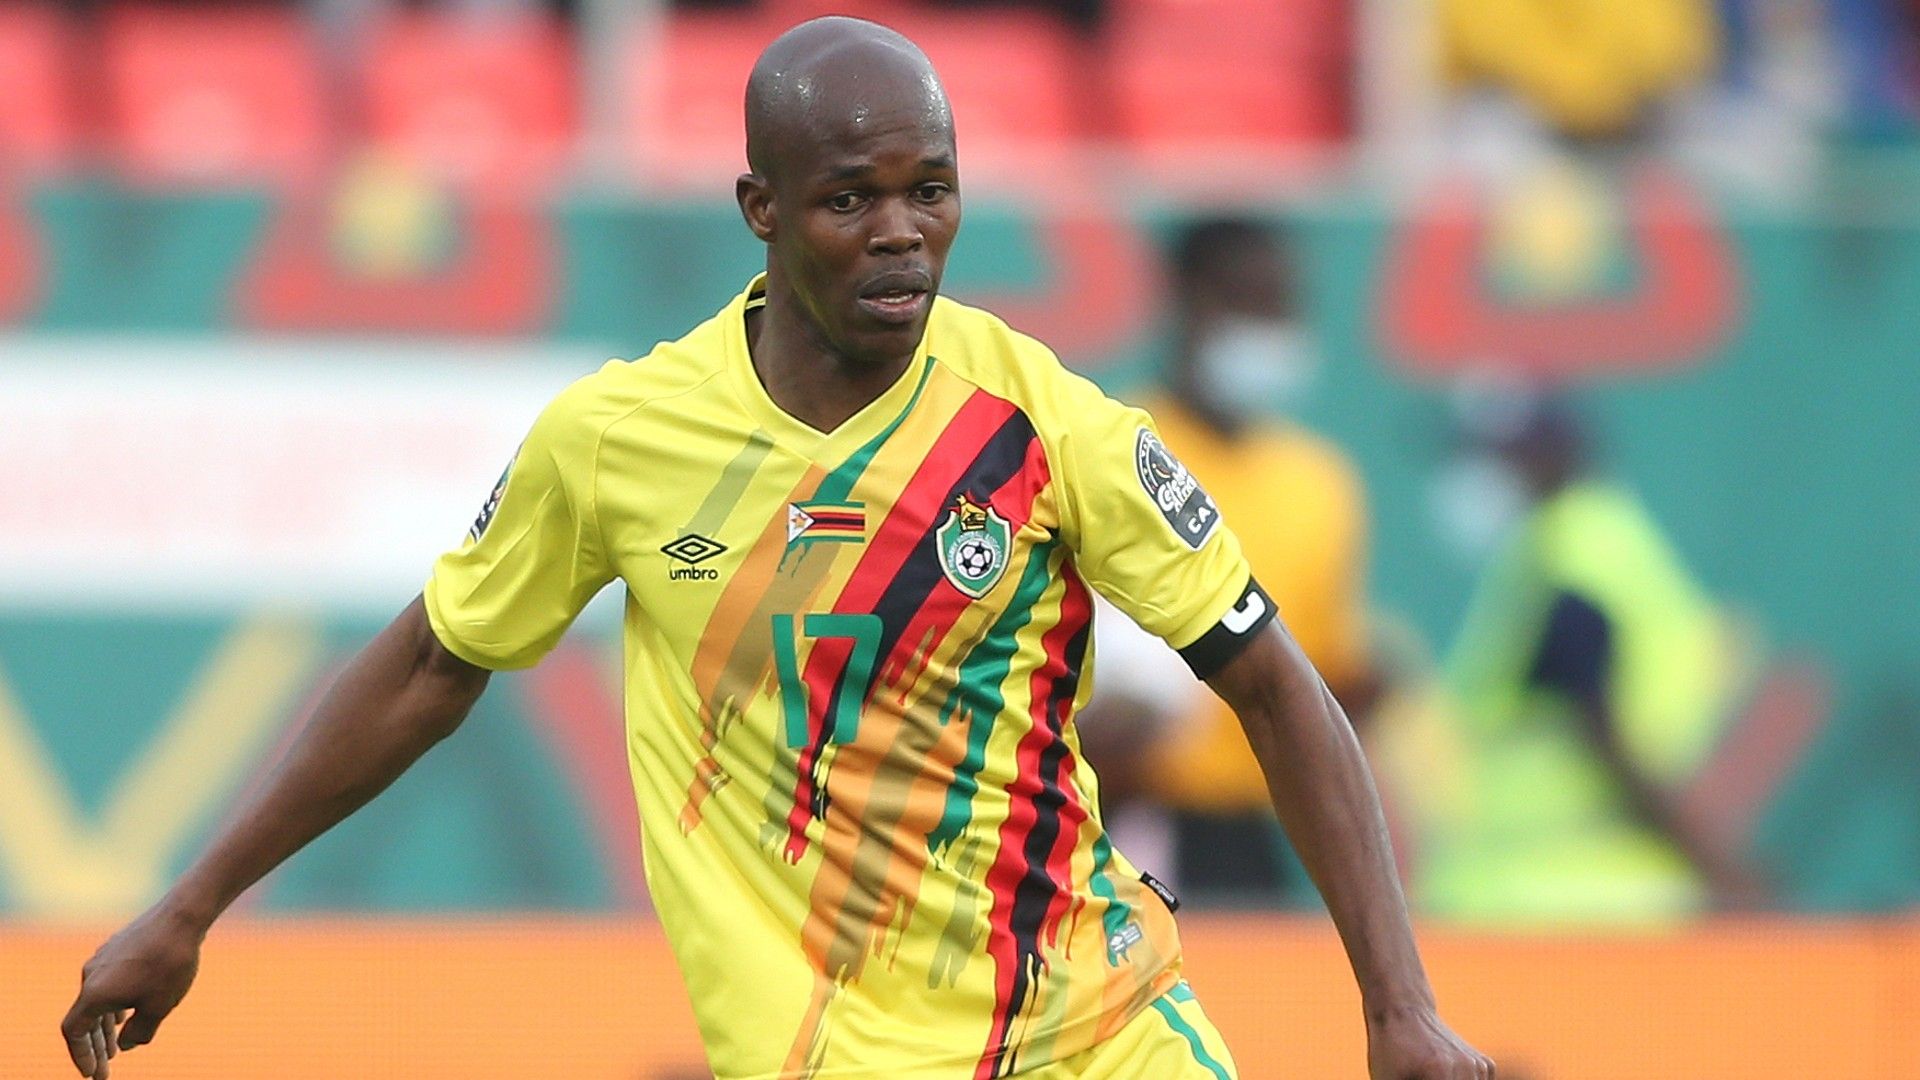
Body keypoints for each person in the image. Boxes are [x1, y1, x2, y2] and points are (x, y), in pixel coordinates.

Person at [61, 18, 1492, 1080]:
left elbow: (1274, 684)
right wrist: (190, 908)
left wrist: (1396, 1005)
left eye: (930, 188)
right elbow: (434, 666)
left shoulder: (1043, 420)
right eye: (849, 197)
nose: (901, 236)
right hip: (830, 1052)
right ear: (760, 213)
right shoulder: (619, 441)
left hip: (1098, 1021)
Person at [1082, 217, 1381, 904]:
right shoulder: (1116, 447)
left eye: (1282, 306)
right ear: (1187, 300)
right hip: (1123, 812)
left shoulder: (1320, 483)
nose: (1268, 327)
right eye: (1246, 301)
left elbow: (1331, 673)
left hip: (1251, 836)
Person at [1425, 389, 1762, 923]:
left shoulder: (1573, 561)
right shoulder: (1577, 548)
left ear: (1556, 456)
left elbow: (1600, 735)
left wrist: (1715, 866)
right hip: (1584, 898)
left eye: (1499, 457)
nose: (1479, 477)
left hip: (1562, 907)